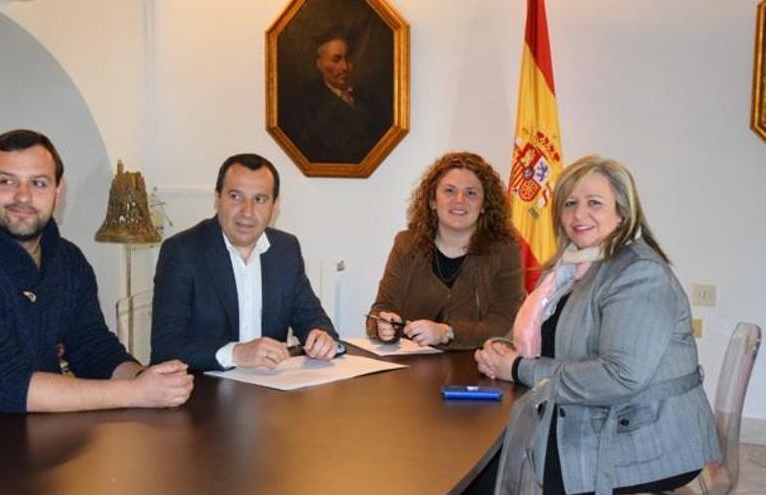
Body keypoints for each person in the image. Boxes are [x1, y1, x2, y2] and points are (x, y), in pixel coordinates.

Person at [0, 129, 194, 439]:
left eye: (38, 183)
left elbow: (91, 345)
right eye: (7, 181)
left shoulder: (67, 260)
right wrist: (134, 393)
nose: (23, 196)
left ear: (58, 192)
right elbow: (8, 386)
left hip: (20, 441)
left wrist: (145, 378)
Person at [474, 155, 719, 494]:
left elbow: (620, 376)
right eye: (570, 203)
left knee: (492, 470)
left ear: (622, 212)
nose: (579, 214)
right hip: (597, 415)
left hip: (642, 438)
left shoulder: (639, 274)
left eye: (594, 203)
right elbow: (549, 326)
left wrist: (518, 368)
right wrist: (502, 345)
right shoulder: (571, 267)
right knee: (486, 464)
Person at [150, 153, 340, 372]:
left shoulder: (285, 249)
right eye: (236, 197)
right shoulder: (183, 251)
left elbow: (312, 318)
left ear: (274, 206)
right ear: (217, 198)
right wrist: (236, 353)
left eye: (260, 199)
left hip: (270, 392)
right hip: (205, 393)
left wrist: (321, 336)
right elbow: (165, 349)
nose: (247, 212)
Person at [367, 152, 524, 349]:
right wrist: (382, 325)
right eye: (449, 190)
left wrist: (447, 332)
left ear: (484, 205)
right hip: (411, 366)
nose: (459, 200)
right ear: (433, 201)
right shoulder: (406, 244)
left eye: (471, 193)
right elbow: (381, 309)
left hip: (474, 365)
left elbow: (504, 322)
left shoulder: (504, 250)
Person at [293, 28, 391, 164]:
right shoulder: (306, 103)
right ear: (320, 64)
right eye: (336, 59)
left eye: (349, 59)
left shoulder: (370, 98)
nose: (344, 67)